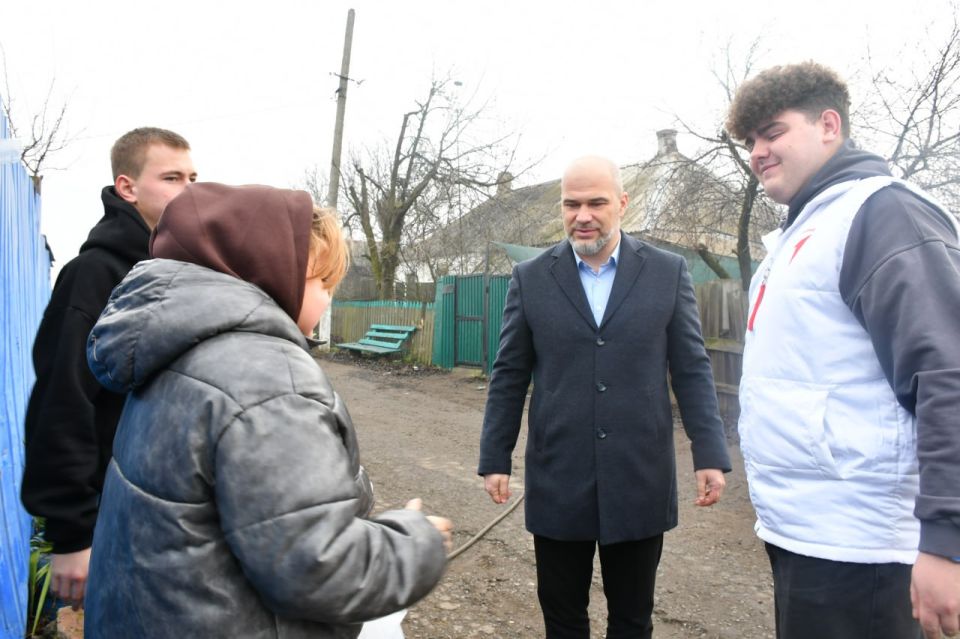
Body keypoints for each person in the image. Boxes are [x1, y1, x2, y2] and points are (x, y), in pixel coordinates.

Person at [82, 182, 451, 637]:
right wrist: (415, 540)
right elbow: (318, 565)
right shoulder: (267, 379)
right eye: (322, 282)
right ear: (274, 270)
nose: (329, 298)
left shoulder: (175, 352)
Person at [727, 61, 960, 639]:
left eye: (772, 133)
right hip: (808, 534)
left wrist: (946, 541)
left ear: (828, 125)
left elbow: (946, 372)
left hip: (866, 549)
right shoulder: (803, 231)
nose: (757, 152)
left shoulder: (881, 214)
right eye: (751, 140)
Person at [478, 156, 731, 638]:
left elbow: (692, 369)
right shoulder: (531, 278)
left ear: (622, 203)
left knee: (632, 620)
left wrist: (710, 454)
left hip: (639, 475)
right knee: (563, 619)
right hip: (558, 476)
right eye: (571, 204)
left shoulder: (667, 272)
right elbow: (509, 374)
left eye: (596, 203)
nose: (583, 215)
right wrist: (495, 457)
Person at [21, 127, 196, 608]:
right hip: (106, 518)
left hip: (161, 514)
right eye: (172, 178)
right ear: (127, 187)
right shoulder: (93, 274)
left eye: (193, 178)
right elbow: (61, 403)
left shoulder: (176, 271)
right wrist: (72, 535)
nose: (188, 190)